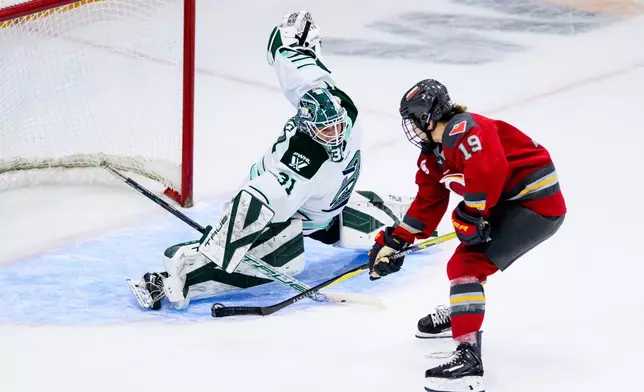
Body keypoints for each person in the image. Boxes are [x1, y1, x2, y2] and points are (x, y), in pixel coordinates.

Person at [127, 11, 407, 311]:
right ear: (308, 126)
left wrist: (287, 45)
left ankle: (399, 218)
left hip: (326, 201)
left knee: (331, 211)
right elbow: (258, 197)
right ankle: (181, 275)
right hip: (295, 212)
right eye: (326, 130)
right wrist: (224, 243)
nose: (335, 134)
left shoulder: (339, 104)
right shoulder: (300, 161)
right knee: (286, 257)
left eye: (338, 126)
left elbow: (301, 69)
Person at [367, 79, 566, 392]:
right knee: (466, 259)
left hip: (535, 204)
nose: (412, 130)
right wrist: (395, 240)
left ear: (428, 118)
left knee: (465, 266)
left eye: (413, 121)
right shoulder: (433, 155)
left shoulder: (465, 130)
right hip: (509, 205)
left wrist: (473, 213)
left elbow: (490, 170)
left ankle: (469, 361)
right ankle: (464, 311)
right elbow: (428, 203)